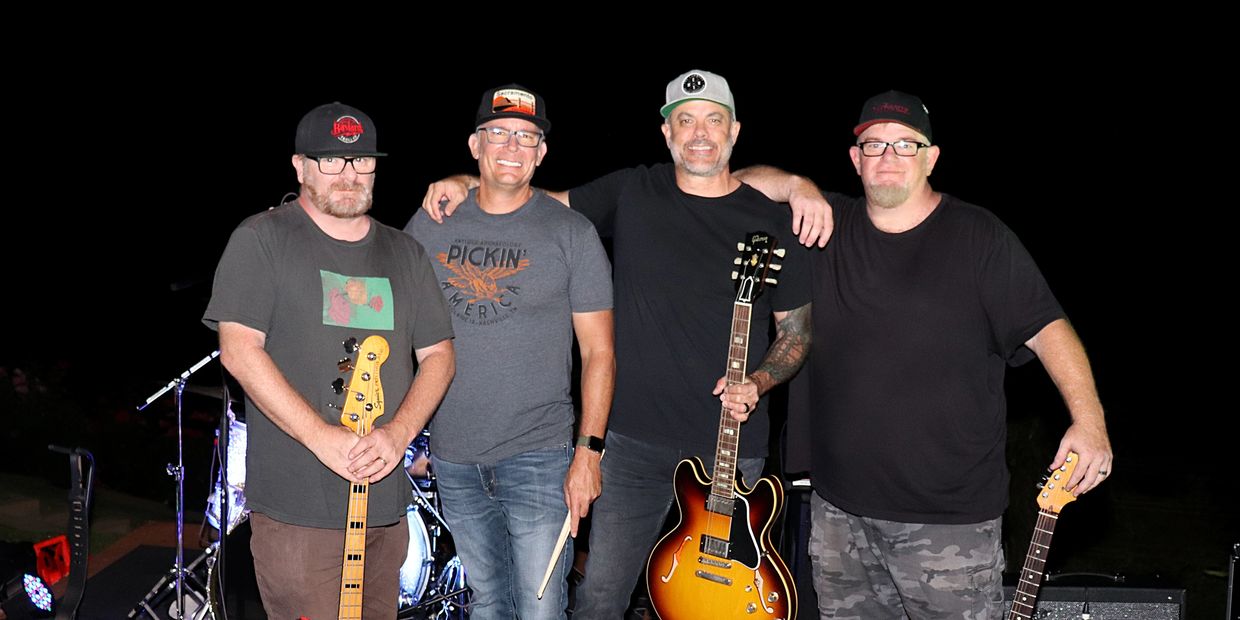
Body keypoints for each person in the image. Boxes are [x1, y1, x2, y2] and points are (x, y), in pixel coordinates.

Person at [422, 69, 816, 618]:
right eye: (685, 120)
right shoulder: (633, 189)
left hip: (729, 447)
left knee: (721, 606)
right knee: (600, 597)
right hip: (631, 443)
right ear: (667, 133)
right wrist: (464, 182)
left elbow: (795, 332)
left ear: (734, 131)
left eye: (713, 120)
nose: (699, 133)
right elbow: (528, 197)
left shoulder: (773, 218)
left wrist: (759, 381)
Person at [751, 90, 1114, 618]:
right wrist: (795, 186)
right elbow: (730, 184)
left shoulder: (979, 238)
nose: (888, 158)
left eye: (905, 144)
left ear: (931, 157)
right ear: (855, 160)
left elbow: (1049, 328)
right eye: (874, 145)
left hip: (948, 526)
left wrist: (1090, 420)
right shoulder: (826, 226)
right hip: (838, 516)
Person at [203, 102, 455, 619]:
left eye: (361, 161)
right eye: (330, 161)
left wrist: (398, 434)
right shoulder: (262, 240)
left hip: (386, 508)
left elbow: (440, 356)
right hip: (300, 512)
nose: (348, 174)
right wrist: (324, 438)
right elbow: (239, 349)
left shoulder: (405, 253)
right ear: (300, 166)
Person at [404, 84, 615, 619]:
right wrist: (412, 430)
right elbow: (397, 329)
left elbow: (599, 354)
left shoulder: (572, 233)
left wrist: (587, 453)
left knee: (541, 608)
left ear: (542, 153)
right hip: (453, 455)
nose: (512, 146)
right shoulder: (431, 223)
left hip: (540, 457)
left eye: (527, 136)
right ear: (475, 144)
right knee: (488, 603)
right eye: (498, 133)